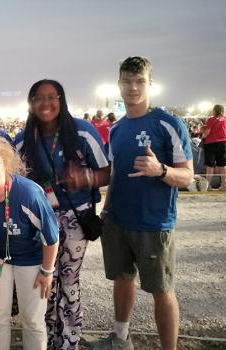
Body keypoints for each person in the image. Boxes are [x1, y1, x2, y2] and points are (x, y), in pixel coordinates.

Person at [94, 56, 193, 350]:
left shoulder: (168, 123)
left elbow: (187, 176)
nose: (133, 88)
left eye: (139, 82)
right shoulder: (116, 129)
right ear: (119, 85)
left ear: (150, 84)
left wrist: (160, 170)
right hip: (118, 221)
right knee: (122, 280)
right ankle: (121, 340)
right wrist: (106, 212)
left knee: (162, 290)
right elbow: (114, 176)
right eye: (127, 81)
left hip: (154, 224)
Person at [16, 79, 110, 349]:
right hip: (39, 220)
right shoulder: (24, 139)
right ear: (31, 104)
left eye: (51, 97)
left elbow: (106, 173)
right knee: (44, 281)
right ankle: (43, 338)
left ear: (62, 99)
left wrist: (84, 176)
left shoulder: (82, 131)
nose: (45, 103)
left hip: (74, 217)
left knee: (68, 280)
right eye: (38, 98)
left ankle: (69, 341)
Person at [0, 135, 59, 350]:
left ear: (5, 163)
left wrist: (47, 271)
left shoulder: (29, 194)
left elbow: (51, 237)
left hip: (31, 259)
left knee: (33, 319)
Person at [202, 104, 226, 190]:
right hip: (223, 143)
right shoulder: (225, 119)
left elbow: (207, 133)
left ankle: (208, 186)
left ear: (214, 110)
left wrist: (203, 129)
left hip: (211, 143)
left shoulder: (211, 120)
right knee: (222, 165)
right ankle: (224, 185)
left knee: (210, 165)